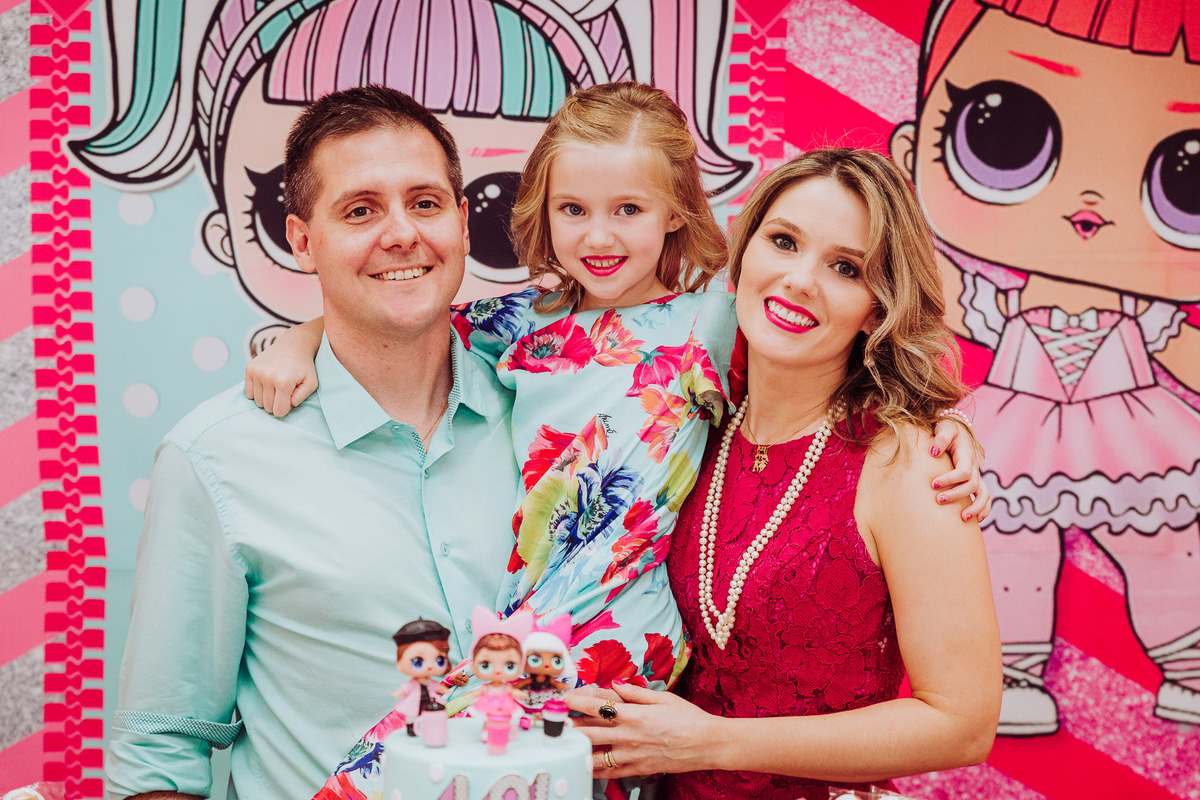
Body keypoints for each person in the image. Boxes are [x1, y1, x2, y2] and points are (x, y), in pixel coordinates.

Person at [247, 84, 989, 798]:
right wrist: (301, 338)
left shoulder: (715, 324)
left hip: (622, 627)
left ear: (673, 213)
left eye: (629, 209)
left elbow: (841, 370)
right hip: (529, 615)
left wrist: (945, 427)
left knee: (397, 768)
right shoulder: (520, 326)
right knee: (427, 757)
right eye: (574, 209)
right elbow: (401, 324)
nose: (598, 236)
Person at [104, 86, 520, 799]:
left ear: (460, 217)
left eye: (425, 202)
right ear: (301, 240)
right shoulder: (215, 459)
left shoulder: (555, 414)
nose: (401, 233)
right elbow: (160, 750)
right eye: (360, 210)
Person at [567, 149, 1002, 799]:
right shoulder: (694, 423)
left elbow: (961, 723)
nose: (800, 279)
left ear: (878, 307)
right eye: (783, 241)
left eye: (846, 267)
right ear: (744, 257)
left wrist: (713, 741)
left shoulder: (907, 465)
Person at [889, 0, 1200, 735]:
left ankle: (1189, 663)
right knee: (1000, 546)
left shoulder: (1148, 318)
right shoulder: (993, 304)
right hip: (1013, 435)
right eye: (1001, 134)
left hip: (1136, 435)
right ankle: (1009, 674)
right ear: (914, 158)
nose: (1091, 204)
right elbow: (930, 299)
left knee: (1167, 544)